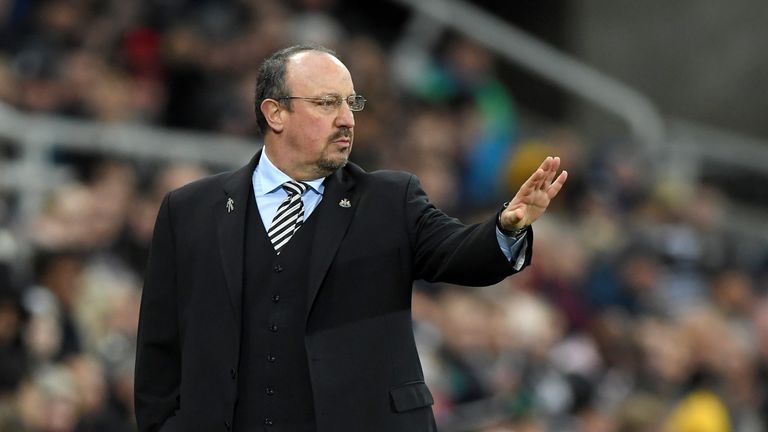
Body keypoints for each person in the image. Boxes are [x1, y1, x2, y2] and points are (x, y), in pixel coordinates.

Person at [134, 44, 567, 432]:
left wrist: (507, 227)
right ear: (275, 113)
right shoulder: (189, 209)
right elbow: (160, 342)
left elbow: (460, 254)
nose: (346, 120)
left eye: (350, 103)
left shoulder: (390, 200)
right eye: (326, 104)